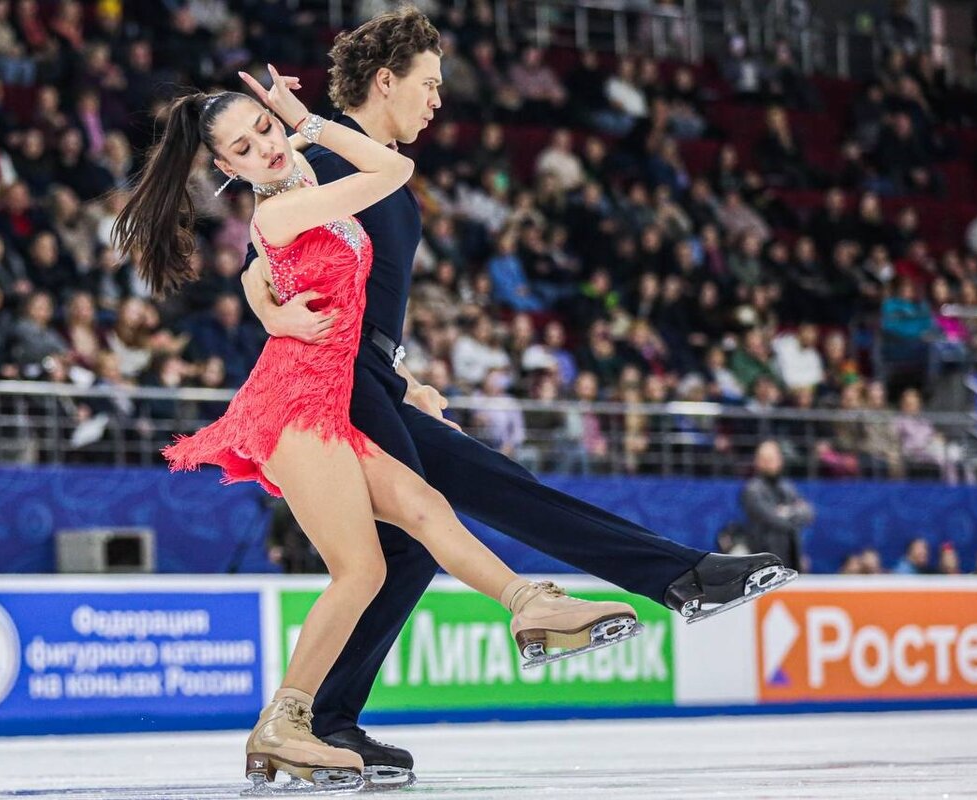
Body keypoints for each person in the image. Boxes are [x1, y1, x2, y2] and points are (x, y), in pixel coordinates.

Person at [240, 7, 792, 785]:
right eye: (428, 84)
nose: (438, 100)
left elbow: (362, 294)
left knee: (421, 541)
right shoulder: (326, 157)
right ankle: (652, 584)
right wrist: (275, 312)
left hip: (376, 381)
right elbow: (258, 257)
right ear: (386, 80)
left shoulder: (383, 173)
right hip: (337, 386)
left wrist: (405, 375)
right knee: (441, 520)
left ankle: (326, 719)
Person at [112, 75, 639, 792]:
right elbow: (393, 171)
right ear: (226, 169)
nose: (266, 145)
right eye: (243, 147)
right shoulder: (287, 204)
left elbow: (276, 278)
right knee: (362, 570)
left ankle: (531, 608)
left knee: (425, 509)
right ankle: (284, 724)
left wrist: (396, 375)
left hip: (331, 398)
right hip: (295, 405)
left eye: (265, 128)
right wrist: (309, 120)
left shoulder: (285, 194)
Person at [740, 440, 815, 572]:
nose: (769, 463)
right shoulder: (752, 490)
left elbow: (808, 513)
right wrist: (793, 513)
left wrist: (786, 512)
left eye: (772, 458)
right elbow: (772, 519)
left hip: (791, 557)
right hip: (763, 560)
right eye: (764, 459)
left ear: (780, 460)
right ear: (757, 461)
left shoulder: (787, 487)